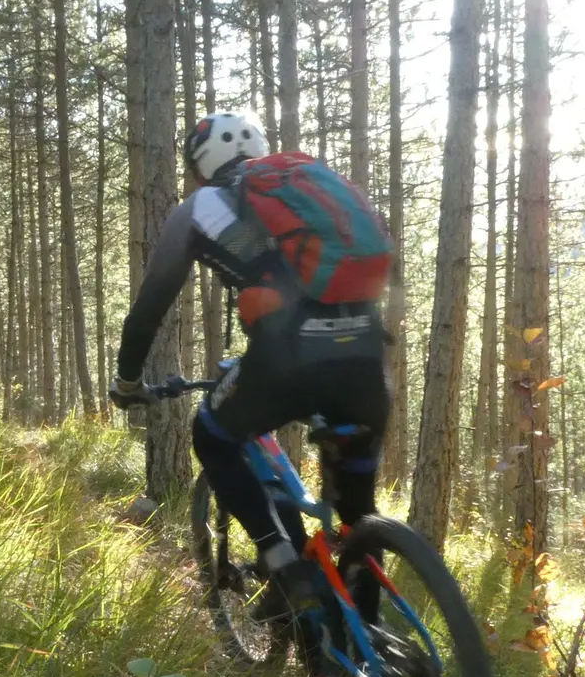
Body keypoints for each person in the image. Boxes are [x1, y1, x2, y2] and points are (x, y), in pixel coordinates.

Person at [110, 113, 391, 628]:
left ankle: (284, 568)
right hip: (366, 356)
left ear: (199, 169)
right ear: (261, 148)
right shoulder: (313, 190)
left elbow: (150, 306)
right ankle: (369, 666)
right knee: (358, 521)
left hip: (286, 362)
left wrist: (127, 381)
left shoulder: (200, 208)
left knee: (213, 435)